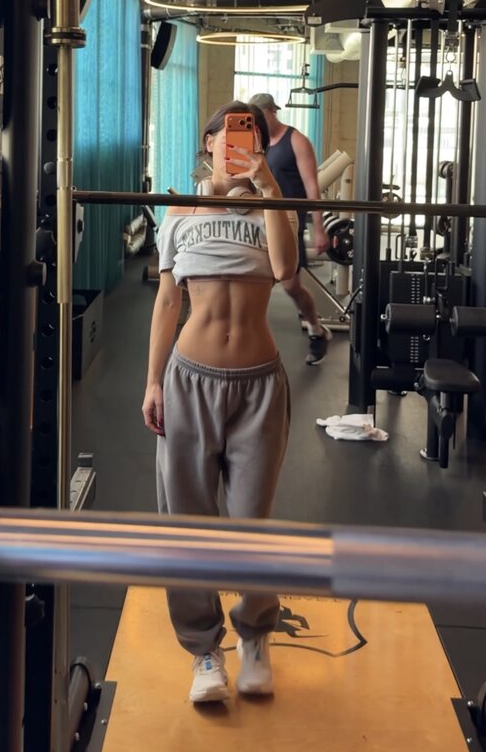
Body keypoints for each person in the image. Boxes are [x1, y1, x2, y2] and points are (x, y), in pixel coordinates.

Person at [142, 101, 298, 705]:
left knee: (253, 522)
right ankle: (204, 650)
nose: (241, 142)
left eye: (251, 134)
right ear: (209, 142)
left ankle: (255, 637)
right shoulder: (181, 210)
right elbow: (167, 302)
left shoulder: (271, 206)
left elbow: (285, 270)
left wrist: (269, 187)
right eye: (231, 133)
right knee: (187, 522)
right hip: (189, 380)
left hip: (259, 386)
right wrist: (153, 382)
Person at [248, 92, 331, 365]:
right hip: (260, 220)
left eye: (261, 116)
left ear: (273, 111)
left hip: (289, 221)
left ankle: (316, 330)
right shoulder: (257, 143)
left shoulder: (296, 140)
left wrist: (319, 228)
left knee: (291, 286)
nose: (257, 123)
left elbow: (312, 187)